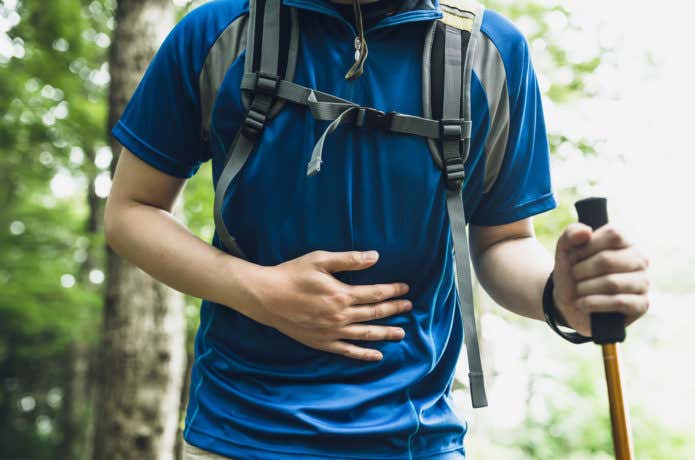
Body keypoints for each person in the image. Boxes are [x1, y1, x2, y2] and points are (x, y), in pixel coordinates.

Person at [104, 0, 651, 459]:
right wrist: (261, 292)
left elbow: (502, 241)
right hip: (239, 433)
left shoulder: (488, 52)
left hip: (417, 438)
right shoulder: (222, 31)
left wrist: (560, 296)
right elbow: (131, 211)